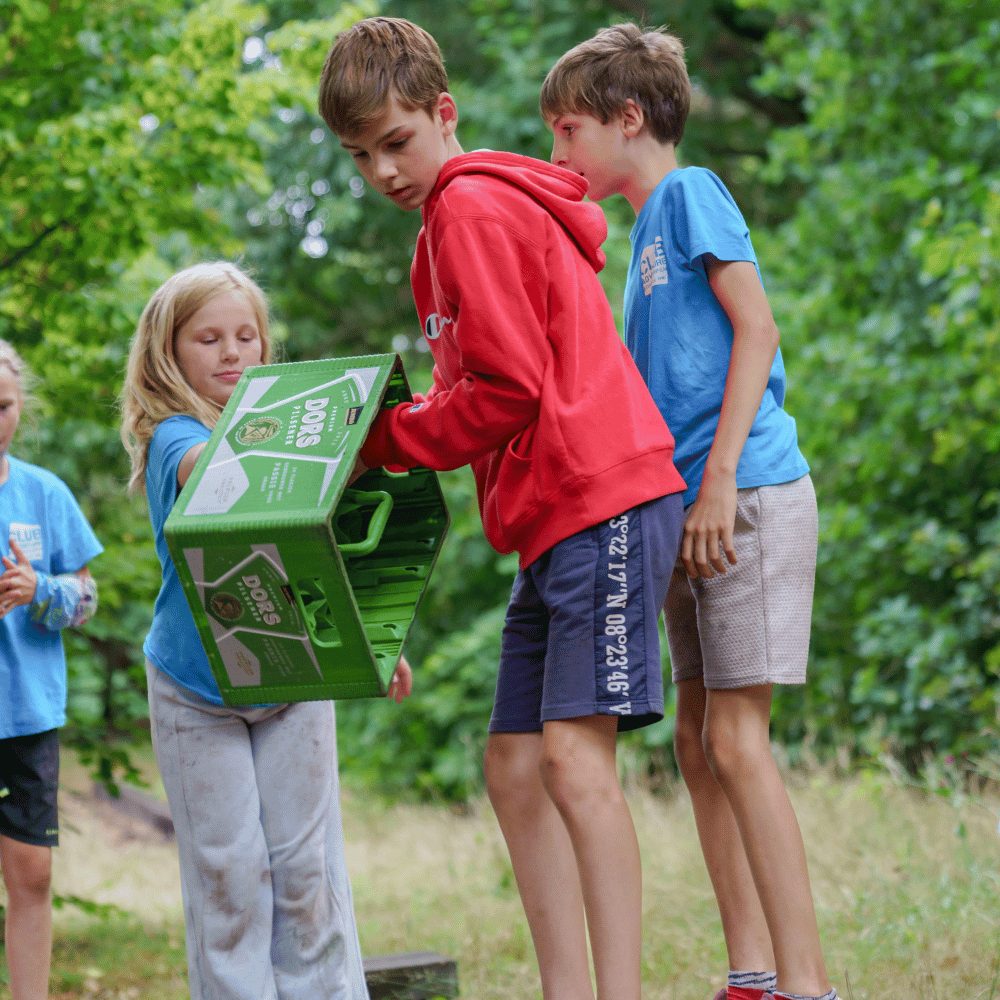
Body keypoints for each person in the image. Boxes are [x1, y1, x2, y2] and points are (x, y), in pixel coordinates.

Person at [318, 17, 687, 1000]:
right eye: (361, 157)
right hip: (547, 518)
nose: (383, 171)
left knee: (571, 762)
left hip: (598, 494)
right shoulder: (442, 234)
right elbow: (479, 386)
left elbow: (508, 389)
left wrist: (382, 440)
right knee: (514, 767)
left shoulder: (471, 207)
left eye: (395, 141)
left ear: (442, 114)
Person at [541, 22, 838, 1000]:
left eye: (567, 131)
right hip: (686, 513)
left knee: (734, 737)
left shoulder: (689, 192)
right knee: (694, 737)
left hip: (744, 492)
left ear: (629, 119)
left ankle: (806, 983)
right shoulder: (637, 241)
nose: (558, 154)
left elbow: (758, 329)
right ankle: (750, 971)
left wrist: (712, 485)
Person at [119, 262, 401, 1000]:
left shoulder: (288, 443)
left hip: (294, 669)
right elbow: (204, 471)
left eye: (247, 336)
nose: (233, 352)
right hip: (196, 686)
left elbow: (330, 549)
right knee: (230, 875)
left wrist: (373, 641)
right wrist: (300, 428)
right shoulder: (173, 437)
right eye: (208, 338)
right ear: (167, 355)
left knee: (308, 872)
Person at [0, 340, 102, 1000]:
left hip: (29, 710)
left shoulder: (44, 492)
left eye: (3, 405)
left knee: (32, 872)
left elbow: (88, 599)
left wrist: (42, 589)